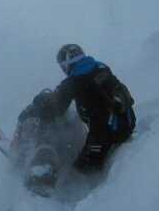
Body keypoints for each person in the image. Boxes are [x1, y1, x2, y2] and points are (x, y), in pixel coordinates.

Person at [16, 44, 136, 178]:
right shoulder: (100, 67)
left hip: (103, 136)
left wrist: (32, 110)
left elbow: (55, 109)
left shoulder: (74, 81)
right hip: (125, 125)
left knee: (77, 174)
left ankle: (42, 166)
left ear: (67, 63)